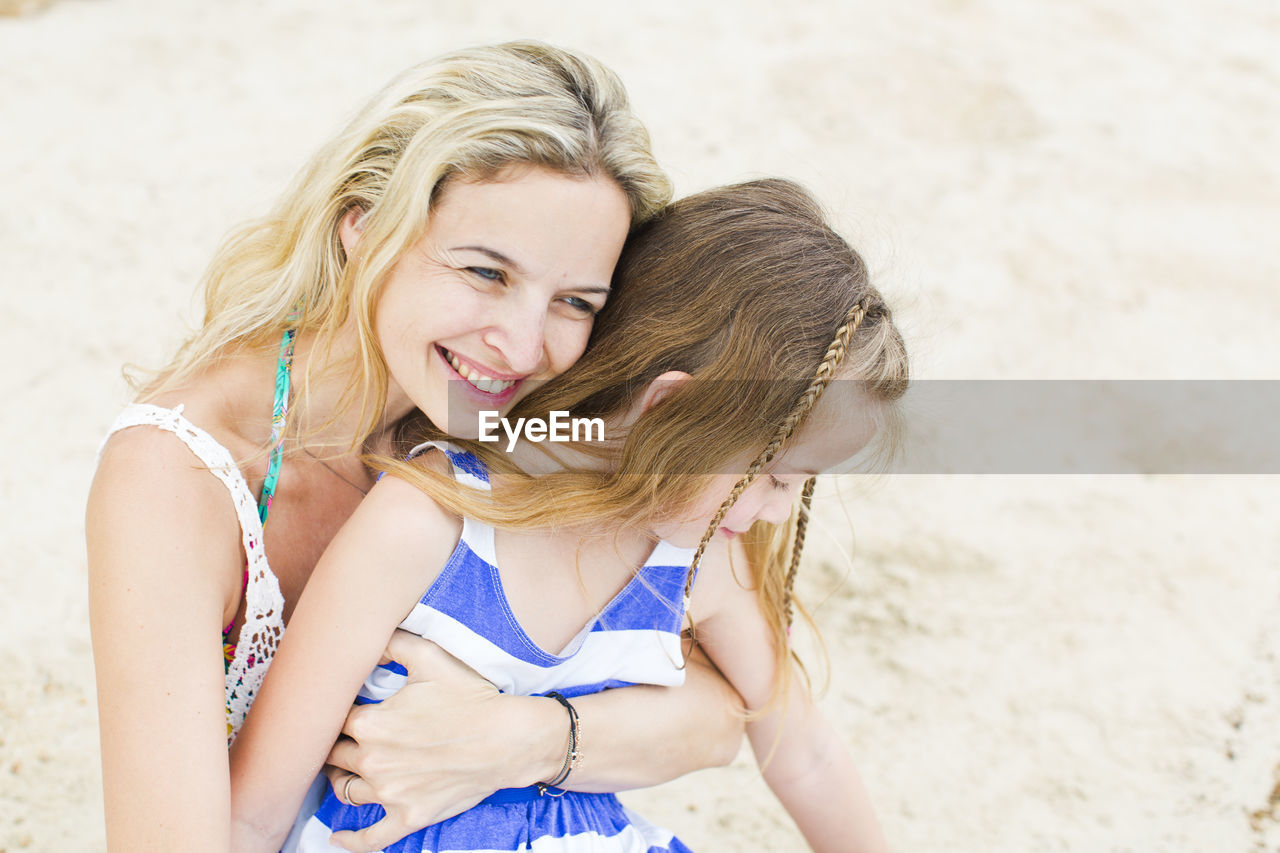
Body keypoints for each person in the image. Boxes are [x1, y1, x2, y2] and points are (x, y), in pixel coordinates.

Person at [86, 42, 746, 853]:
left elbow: (725, 714)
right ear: (363, 224)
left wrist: (520, 737)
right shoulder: (178, 474)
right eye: (485, 272)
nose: (521, 343)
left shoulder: (529, 428)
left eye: (575, 300)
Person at [226, 179, 909, 852]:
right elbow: (258, 808)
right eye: (778, 477)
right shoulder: (428, 519)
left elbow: (804, 752)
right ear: (669, 410)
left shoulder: (701, 562)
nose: (776, 511)